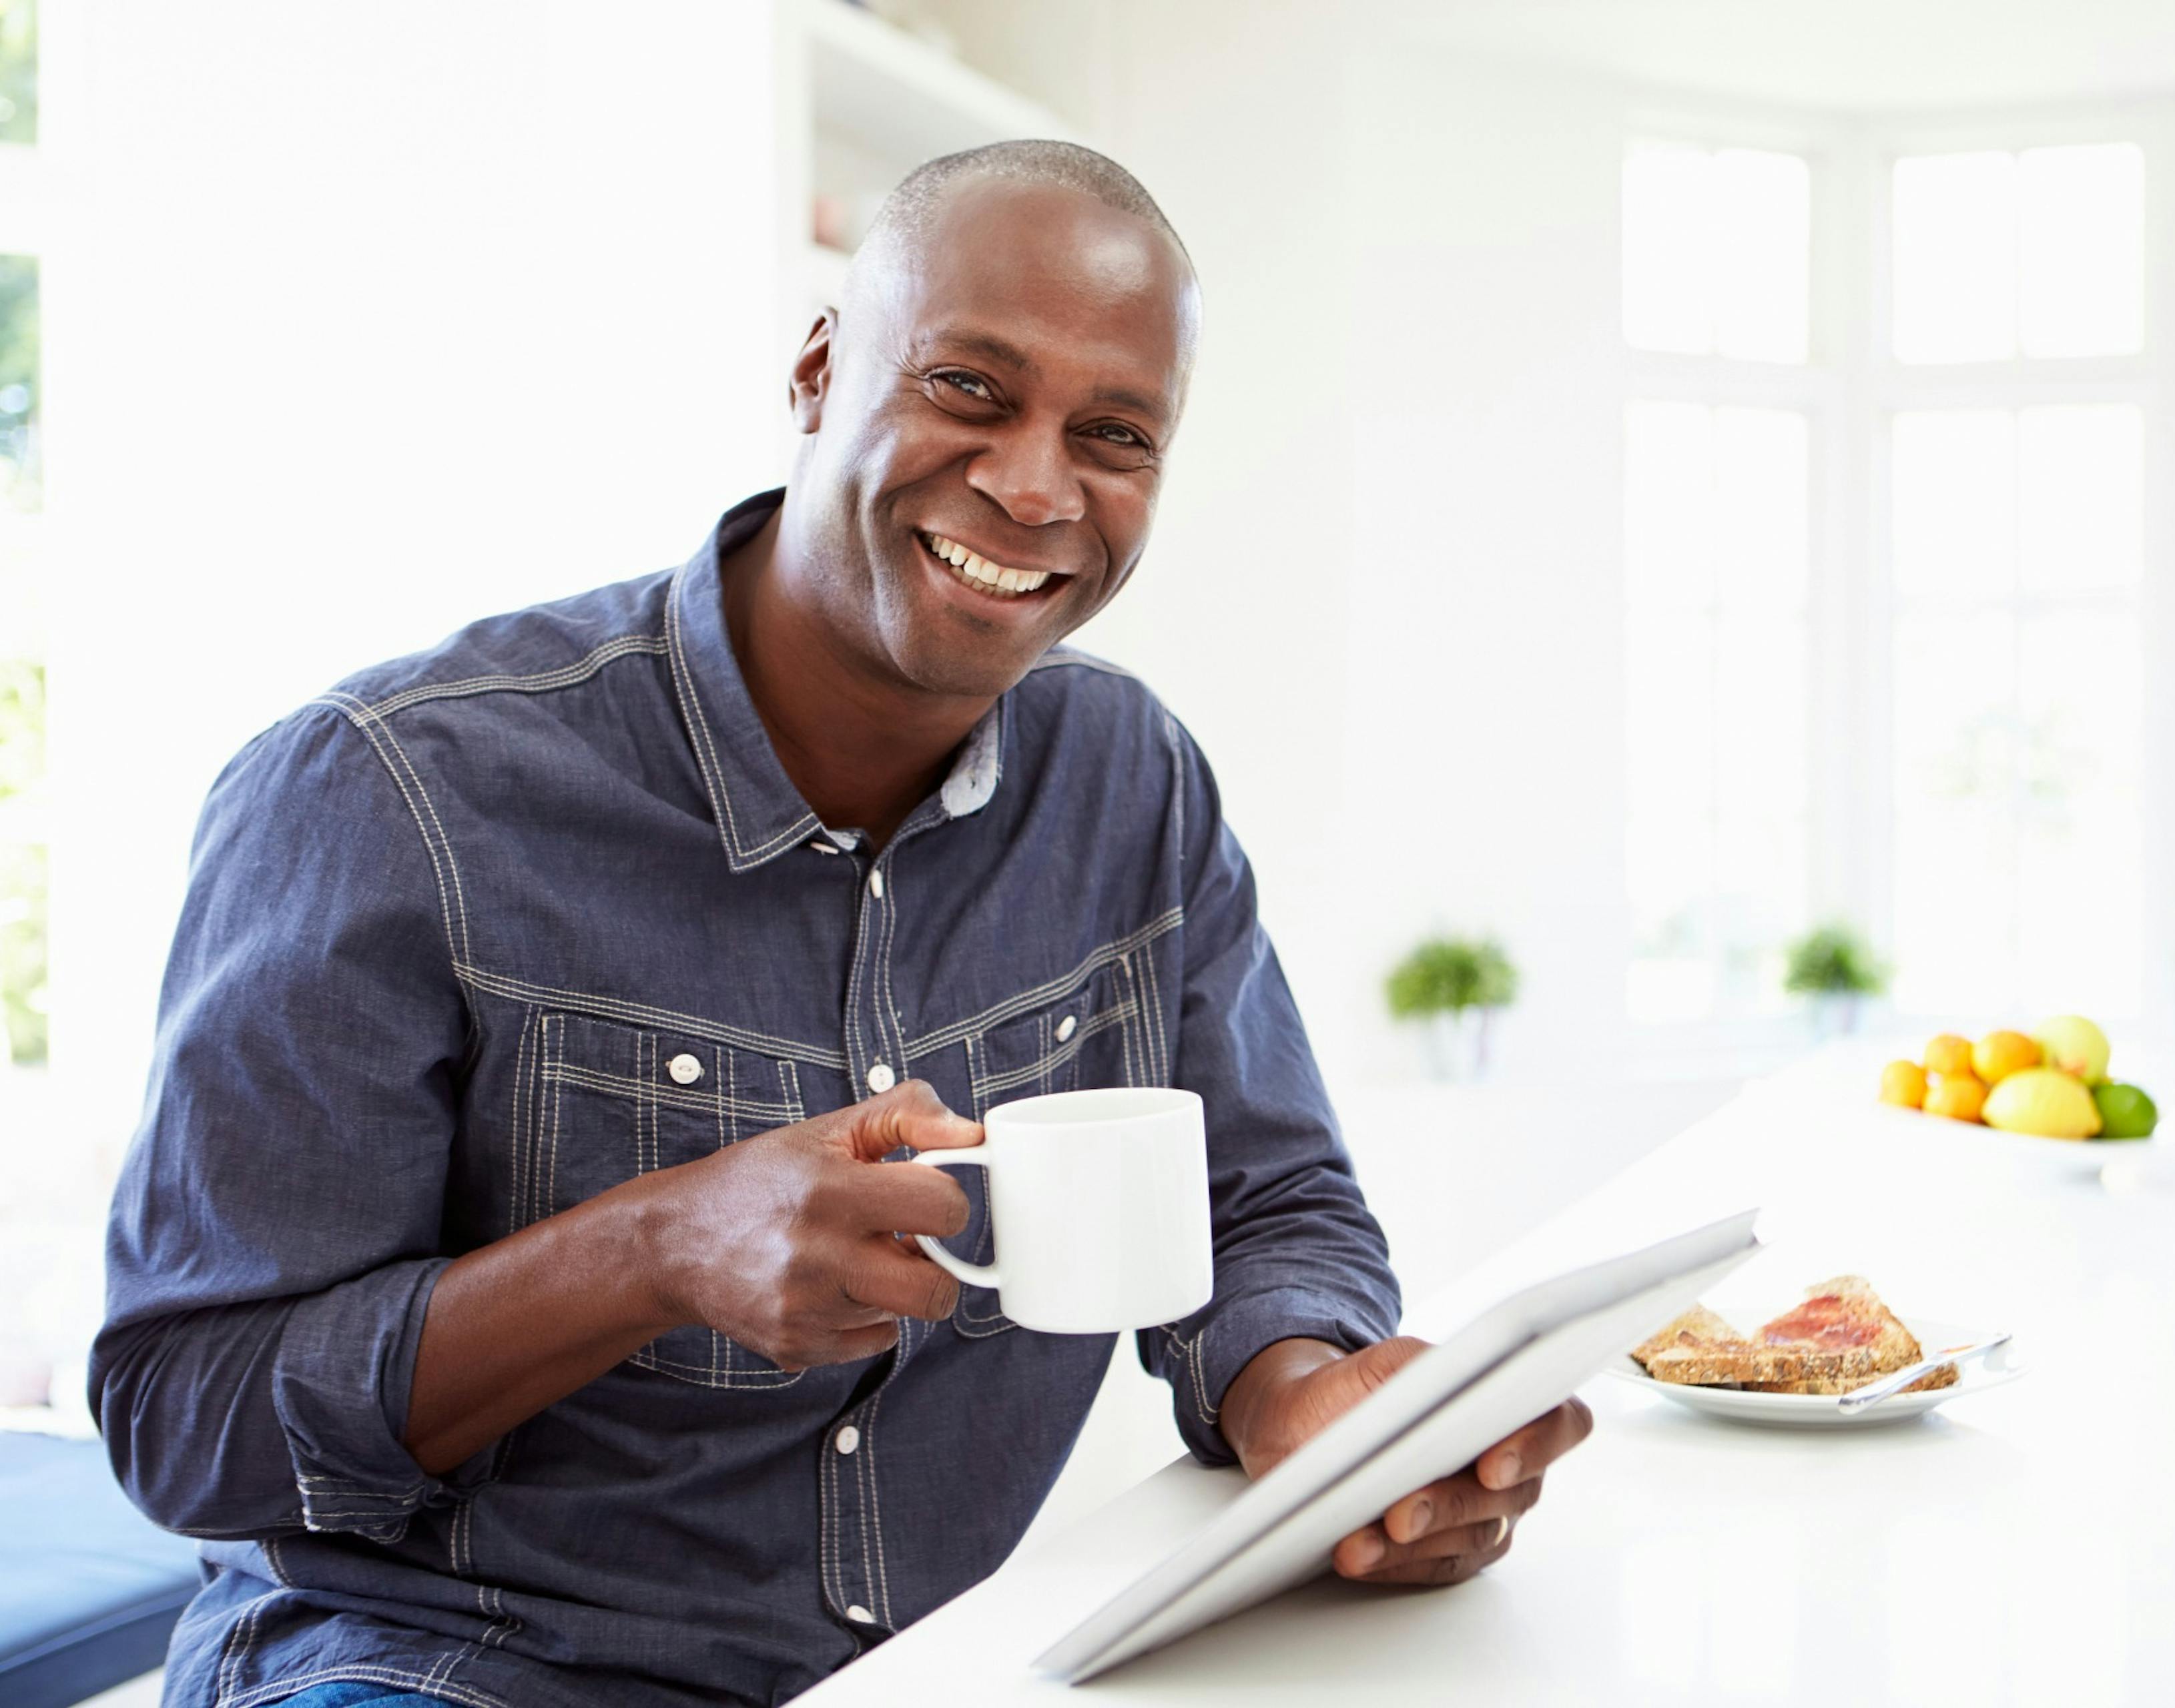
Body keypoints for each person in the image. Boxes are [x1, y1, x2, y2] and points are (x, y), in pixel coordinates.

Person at [89, 141, 1590, 1708]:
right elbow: (183, 1414)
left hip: (943, 1666)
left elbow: (1263, 1195)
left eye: (1114, 434)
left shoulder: (1126, 783)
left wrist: (1309, 1402)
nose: (1033, 485)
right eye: (968, 388)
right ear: (819, 371)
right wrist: (655, 1246)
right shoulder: (389, 791)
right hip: (440, 1671)